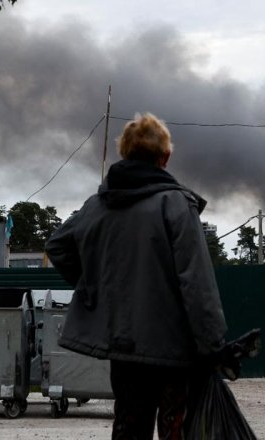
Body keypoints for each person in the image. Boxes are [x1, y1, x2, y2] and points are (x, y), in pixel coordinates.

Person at [46, 113, 227, 440]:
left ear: (125, 154)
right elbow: (197, 283)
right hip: (173, 350)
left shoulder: (97, 205)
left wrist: (94, 288)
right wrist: (213, 344)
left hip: (124, 347)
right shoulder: (175, 205)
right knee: (175, 428)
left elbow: (58, 245)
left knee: (129, 425)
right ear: (166, 157)